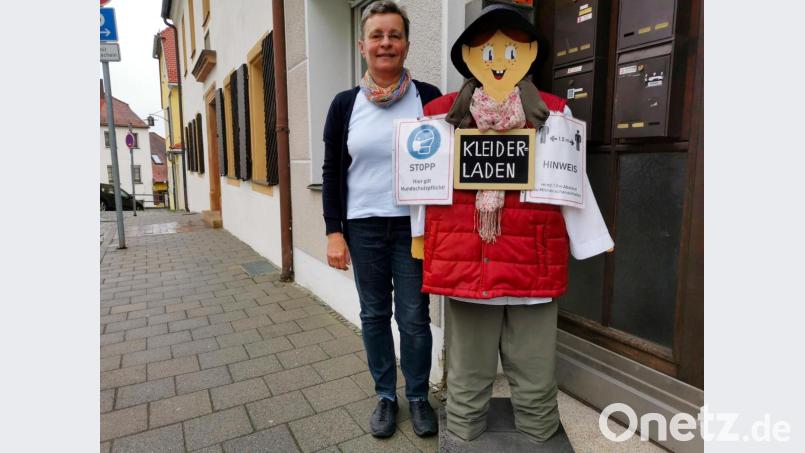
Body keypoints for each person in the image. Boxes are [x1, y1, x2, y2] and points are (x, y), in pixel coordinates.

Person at [416, 4, 614, 444]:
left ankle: (538, 428)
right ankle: (464, 429)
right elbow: (422, 182)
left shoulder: (552, 114)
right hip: (467, 259)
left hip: (531, 258)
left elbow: (569, 179)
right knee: (468, 364)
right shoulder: (441, 115)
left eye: (511, 51)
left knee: (534, 362)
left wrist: (591, 236)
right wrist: (419, 237)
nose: (500, 62)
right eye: (488, 52)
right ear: (470, 57)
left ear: (528, 55)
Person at [321, 0, 442, 439]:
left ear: (406, 44)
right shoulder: (344, 105)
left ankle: (418, 396)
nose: (385, 43)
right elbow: (332, 172)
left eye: (394, 35)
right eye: (377, 35)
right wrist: (334, 232)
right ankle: (386, 397)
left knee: (414, 318)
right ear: (362, 46)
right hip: (364, 226)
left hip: (414, 228)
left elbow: (447, 160)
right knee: (374, 315)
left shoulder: (429, 98)